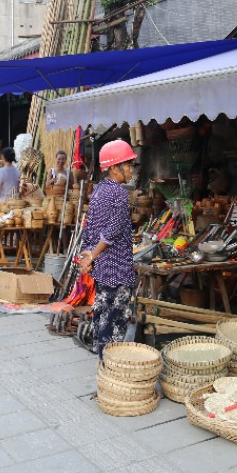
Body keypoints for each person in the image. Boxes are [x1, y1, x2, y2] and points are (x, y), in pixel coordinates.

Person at [78, 140, 137, 359]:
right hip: (118, 268)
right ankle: (110, 364)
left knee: (102, 314)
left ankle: (102, 357)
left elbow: (90, 229)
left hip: (102, 268)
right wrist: (92, 255)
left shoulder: (98, 191)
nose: (131, 170)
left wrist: (87, 257)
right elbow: (111, 232)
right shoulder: (120, 195)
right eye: (128, 164)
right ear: (114, 168)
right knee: (116, 319)